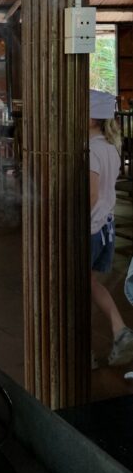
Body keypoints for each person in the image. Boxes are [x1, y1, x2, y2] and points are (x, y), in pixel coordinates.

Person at [89, 88, 133, 366]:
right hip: (106, 227)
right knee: (88, 284)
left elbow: (90, 194)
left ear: (93, 119)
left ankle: (84, 352)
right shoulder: (110, 148)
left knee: (75, 290)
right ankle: (119, 331)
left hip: (90, 229)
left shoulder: (92, 150)